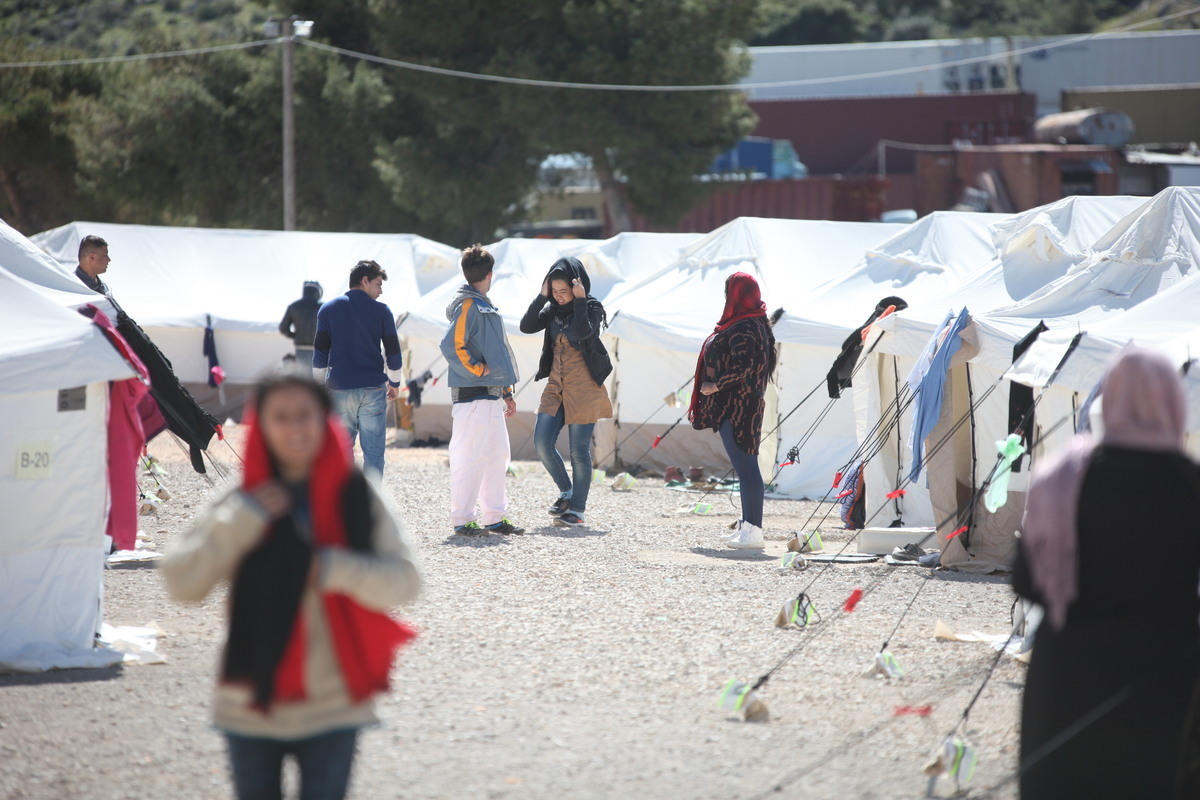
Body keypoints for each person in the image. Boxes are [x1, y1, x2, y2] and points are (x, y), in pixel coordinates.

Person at [161, 372, 421, 800]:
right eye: (280, 417)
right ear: (261, 425)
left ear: (326, 420)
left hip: (334, 705)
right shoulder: (244, 498)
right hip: (249, 705)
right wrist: (242, 522)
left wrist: (330, 568)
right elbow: (181, 581)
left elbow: (406, 582)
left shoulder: (356, 494)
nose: (295, 427)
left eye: (305, 415)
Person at [1013, 347, 1200, 800]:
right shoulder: (1189, 483)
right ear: (1174, 403)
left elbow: (1025, 579)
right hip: (1164, 680)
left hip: (1068, 675)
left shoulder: (1062, 477)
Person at [519, 257, 613, 528]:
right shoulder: (551, 309)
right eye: (555, 291)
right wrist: (541, 296)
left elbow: (582, 332)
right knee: (541, 441)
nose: (559, 297)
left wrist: (581, 300)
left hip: (584, 387)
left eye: (564, 291)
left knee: (579, 451)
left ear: (577, 286)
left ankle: (578, 509)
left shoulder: (592, 307)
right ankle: (567, 491)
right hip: (556, 385)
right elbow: (526, 326)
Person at [439, 244, 524, 536]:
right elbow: (451, 346)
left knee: (497, 455)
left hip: (489, 395)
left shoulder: (483, 305)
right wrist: (476, 369)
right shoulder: (468, 306)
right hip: (470, 395)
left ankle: (495, 517)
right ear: (490, 274)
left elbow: (496, 353)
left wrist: (506, 392)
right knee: (469, 457)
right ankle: (463, 520)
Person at [688, 272, 776, 550]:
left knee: (747, 468)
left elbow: (744, 368)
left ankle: (754, 532)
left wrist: (715, 386)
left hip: (738, 407)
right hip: (743, 405)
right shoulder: (755, 323)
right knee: (745, 468)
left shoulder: (744, 327)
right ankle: (748, 526)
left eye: (730, 293)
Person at [313, 261, 403, 477]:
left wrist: (316, 390)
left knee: (341, 450)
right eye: (378, 284)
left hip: (339, 388)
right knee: (373, 452)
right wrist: (395, 382)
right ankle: (371, 505)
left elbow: (320, 354)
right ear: (364, 281)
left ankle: (344, 504)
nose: (381, 291)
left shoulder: (327, 309)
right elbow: (393, 353)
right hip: (373, 388)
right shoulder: (382, 311)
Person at [280, 281, 324, 365]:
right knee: (317, 375)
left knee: (303, 375)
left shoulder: (293, 306)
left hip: (300, 347)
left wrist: (296, 336)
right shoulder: (322, 307)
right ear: (318, 292)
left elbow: (283, 328)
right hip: (318, 348)